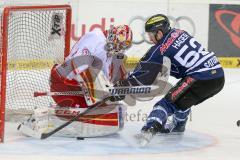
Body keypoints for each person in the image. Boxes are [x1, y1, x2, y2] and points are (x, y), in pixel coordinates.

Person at [111, 14, 225, 146]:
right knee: (182, 96)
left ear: (159, 33)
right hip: (218, 75)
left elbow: (143, 74)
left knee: (165, 104)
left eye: (150, 34)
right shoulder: (180, 32)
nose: (149, 38)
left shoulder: (159, 49)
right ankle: (178, 126)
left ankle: (148, 131)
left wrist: (123, 86)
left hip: (200, 77)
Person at [19, 25, 133, 138]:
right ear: (113, 35)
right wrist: (103, 92)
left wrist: (117, 90)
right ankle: (39, 118)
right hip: (63, 81)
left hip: (77, 84)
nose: (119, 47)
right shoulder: (96, 39)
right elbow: (81, 66)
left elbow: (107, 77)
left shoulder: (108, 50)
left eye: (123, 45)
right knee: (95, 108)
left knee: (109, 108)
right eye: (119, 43)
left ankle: (66, 112)